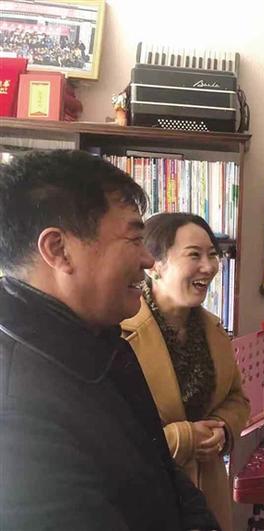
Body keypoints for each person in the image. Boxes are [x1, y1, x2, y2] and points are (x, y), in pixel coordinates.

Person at [0, 150, 219, 530]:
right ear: (59, 250)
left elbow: (164, 476)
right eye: (134, 239)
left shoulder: (103, 342)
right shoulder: (15, 409)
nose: (148, 260)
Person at [121, 213, 250, 531]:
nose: (209, 267)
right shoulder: (119, 334)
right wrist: (183, 438)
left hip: (209, 494)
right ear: (155, 265)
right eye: (194, 255)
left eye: (212, 255)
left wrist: (223, 428)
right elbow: (112, 435)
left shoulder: (213, 330)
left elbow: (237, 398)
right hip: (147, 497)